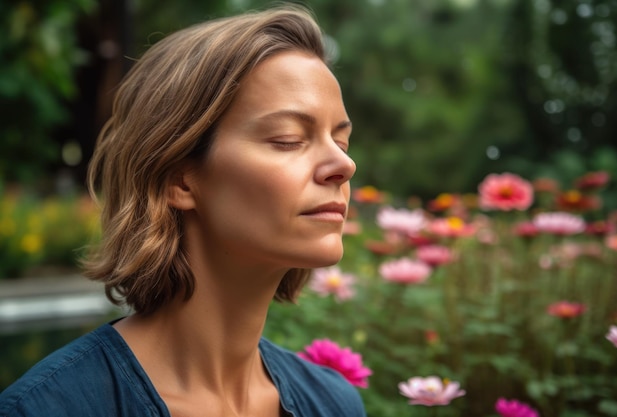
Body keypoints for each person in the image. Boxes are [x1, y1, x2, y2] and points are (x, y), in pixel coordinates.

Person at [0, 5, 365, 417]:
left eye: (341, 142)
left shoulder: (336, 404)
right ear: (179, 179)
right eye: (288, 139)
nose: (344, 165)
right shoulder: (45, 410)